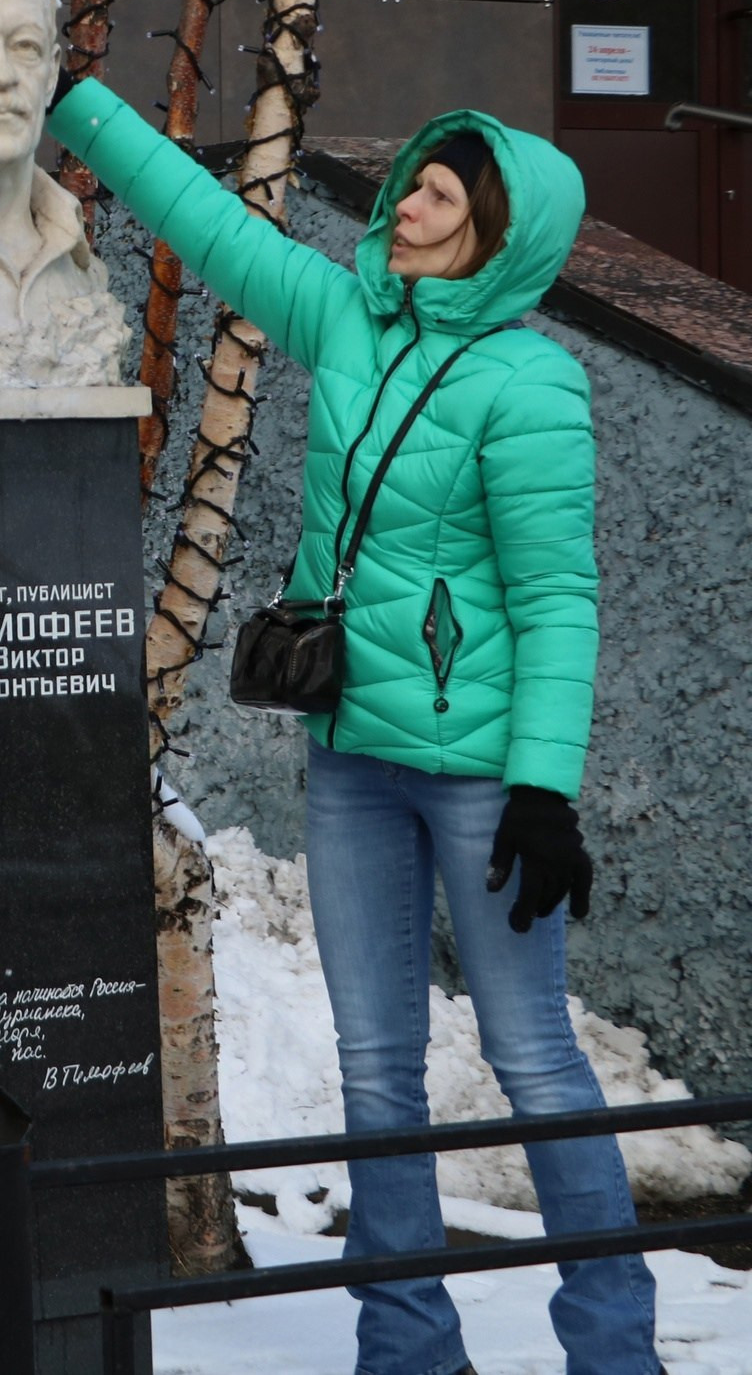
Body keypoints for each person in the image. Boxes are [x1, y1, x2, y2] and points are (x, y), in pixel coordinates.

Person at [50, 79, 657, 1374]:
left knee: (533, 1053)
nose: (408, 200)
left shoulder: (530, 381)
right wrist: (79, 107)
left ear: (496, 233)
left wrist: (546, 787)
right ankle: (408, 1346)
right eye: (414, 181)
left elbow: (557, 600)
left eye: (439, 190)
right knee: (376, 1067)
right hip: (354, 761)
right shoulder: (351, 316)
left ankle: (615, 1349)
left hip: (488, 780)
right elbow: (214, 228)